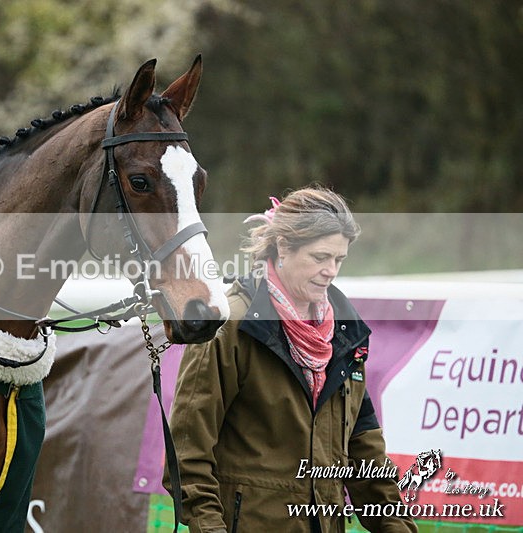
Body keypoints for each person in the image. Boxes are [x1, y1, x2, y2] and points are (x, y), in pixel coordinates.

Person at [166, 186, 416, 532]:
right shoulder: (230, 326)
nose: (331, 270)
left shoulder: (346, 334)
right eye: (319, 257)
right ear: (283, 247)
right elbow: (186, 454)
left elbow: (364, 451)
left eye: (338, 259)